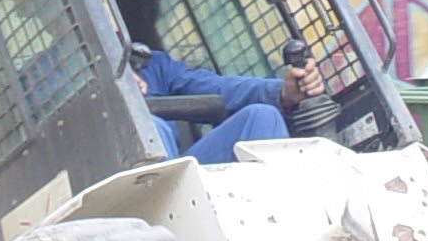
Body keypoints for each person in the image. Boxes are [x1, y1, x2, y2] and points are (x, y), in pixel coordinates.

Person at [135, 46, 325, 165]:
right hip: (118, 200)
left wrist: (283, 93)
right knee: (148, 127)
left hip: (178, 187)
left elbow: (218, 89)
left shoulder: (151, 64)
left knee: (262, 117)